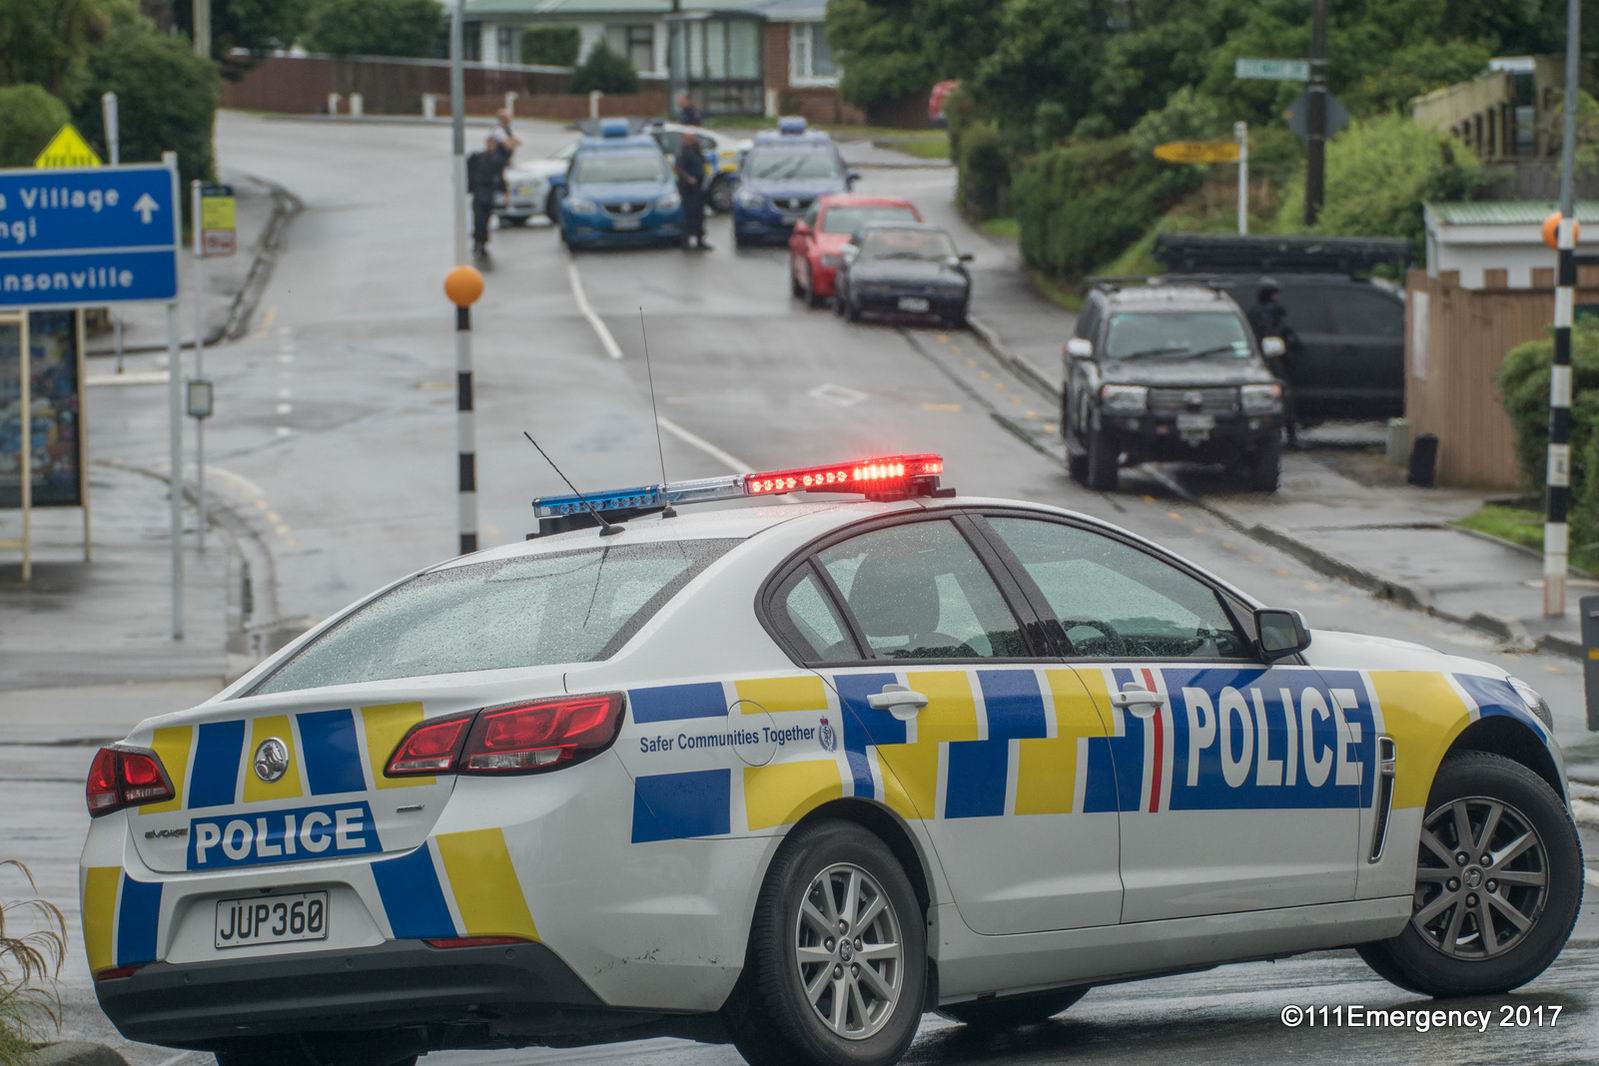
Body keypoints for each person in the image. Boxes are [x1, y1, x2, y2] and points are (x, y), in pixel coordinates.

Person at [1247, 278, 1298, 446]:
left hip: (1272, 358)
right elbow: (1268, 336)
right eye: (1275, 293)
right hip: (1268, 359)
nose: (1277, 296)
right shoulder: (1262, 313)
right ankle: (1289, 436)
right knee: (1283, 396)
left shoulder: (1270, 311)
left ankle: (1288, 435)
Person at [467, 135, 510, 258]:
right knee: (478, 220)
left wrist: (505, 193)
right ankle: (477, 242)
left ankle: (482, 242)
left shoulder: (498, 160)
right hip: (479, 192)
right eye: (488, 143)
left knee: (485, 220)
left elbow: (501, 177)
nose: (490, 146)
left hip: (489, 193)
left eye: (492, 144)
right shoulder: (477, 158)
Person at [674, 130, 711, 251]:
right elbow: (678, 168)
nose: (693, 140)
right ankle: (686, 241)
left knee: (699, 214)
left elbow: (703, 161)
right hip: (688, 189)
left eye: (694, 138)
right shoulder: (682, 152)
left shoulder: (696, 150)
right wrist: (688, 178)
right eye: (690, 138)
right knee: (688, 215)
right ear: (685, 139)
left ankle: (700, 240)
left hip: (699, 187)